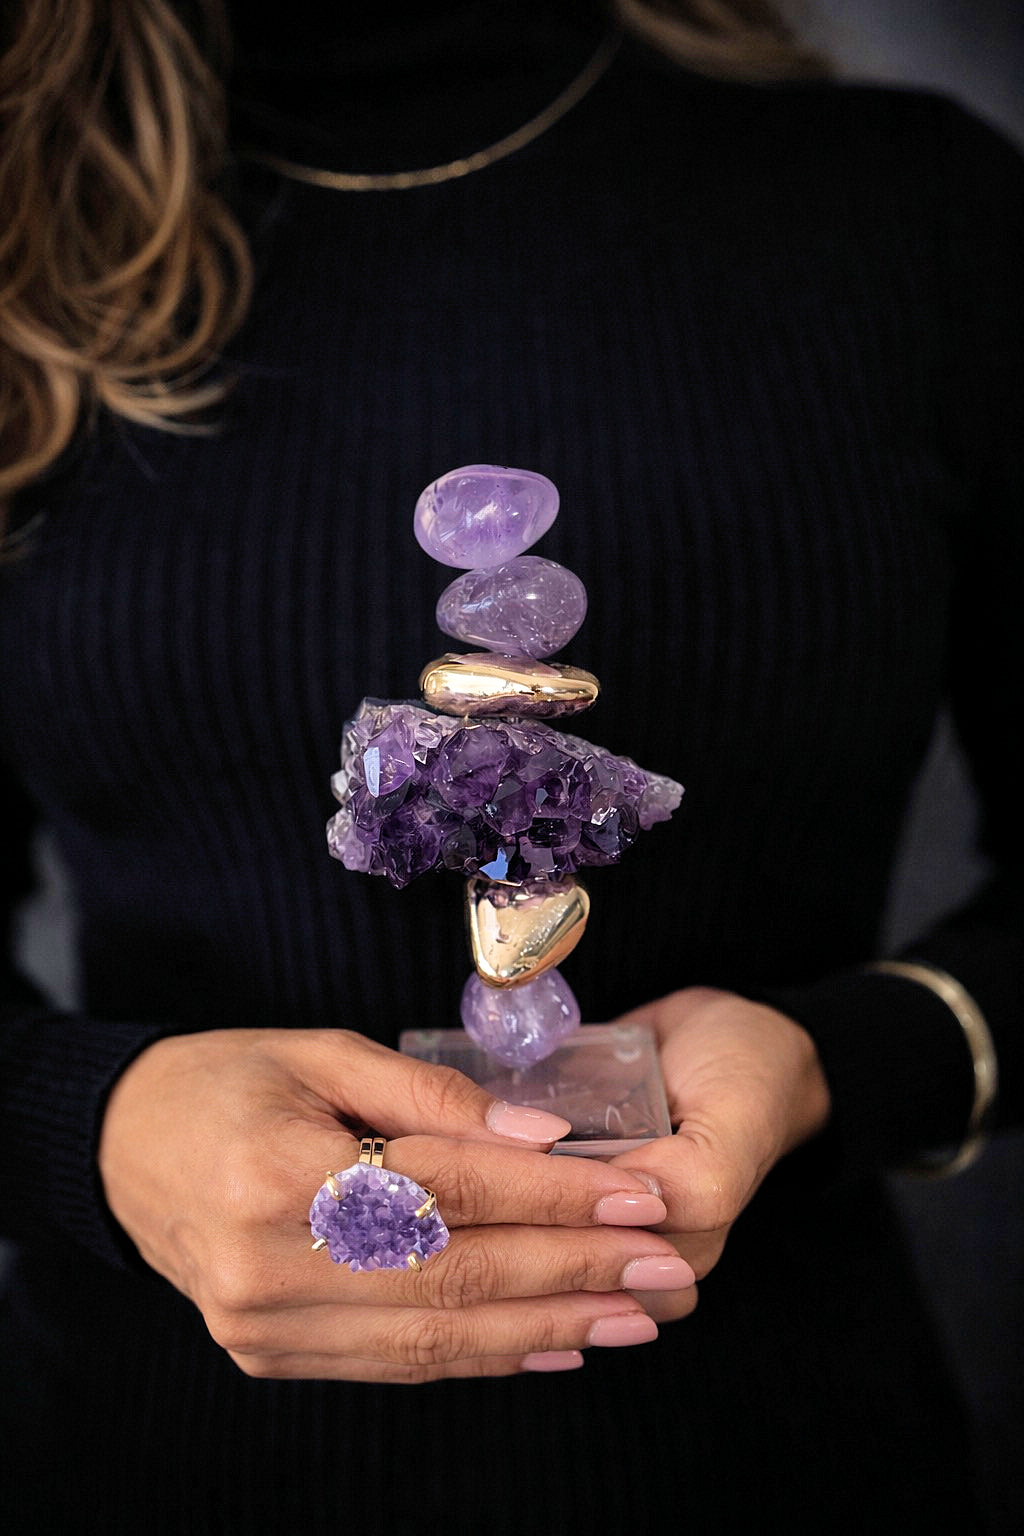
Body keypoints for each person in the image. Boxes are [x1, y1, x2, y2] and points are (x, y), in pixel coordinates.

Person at [1, 2, 1020, 1531]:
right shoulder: (26, 228)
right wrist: (91, 1131)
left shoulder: (911, 211)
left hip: (782, 1465)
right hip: (136, 1470)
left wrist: (840, 1061)